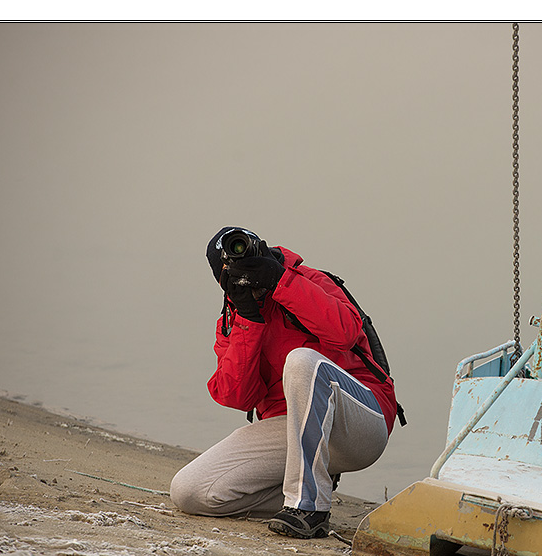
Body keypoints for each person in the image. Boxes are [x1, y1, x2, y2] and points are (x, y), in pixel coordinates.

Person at [170, 226, 398, 539]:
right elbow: (236, 396)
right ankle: (310, 485)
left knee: (302, 361)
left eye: (246, 255)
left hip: (359, 423)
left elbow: (345, 332)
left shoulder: (310, 281)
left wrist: (279, 281)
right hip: (293, 431)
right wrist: (250, 318)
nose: (243, 267)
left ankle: (309, 508)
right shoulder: (233, 320)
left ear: (261, 250)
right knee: (190, 491)